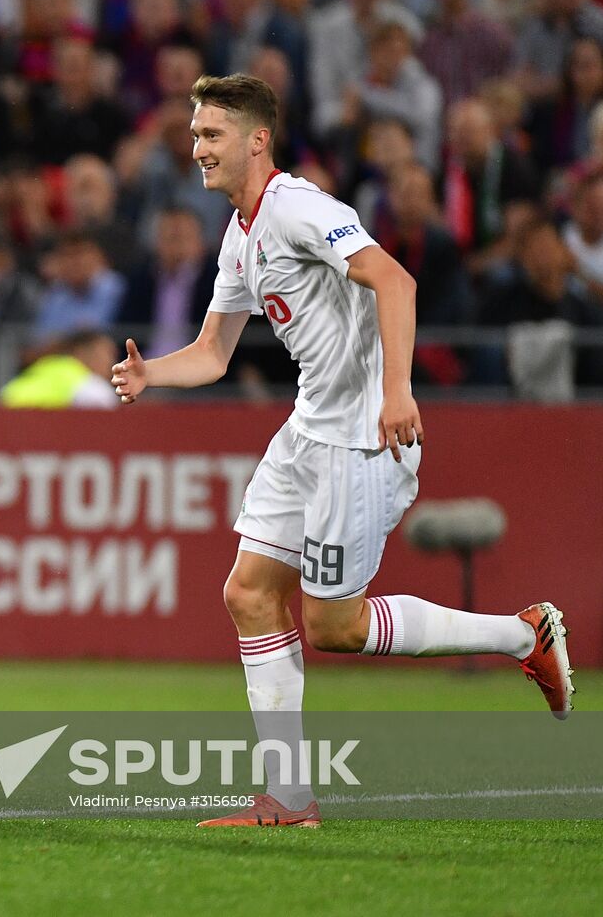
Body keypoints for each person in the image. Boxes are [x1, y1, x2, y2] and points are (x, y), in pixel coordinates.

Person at [110, 74, 574, 828]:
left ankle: (524, 633)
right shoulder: (241, 232)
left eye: (211, 135)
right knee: (248, 595)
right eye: (194, 136)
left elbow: (395, 279)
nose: (197, 149)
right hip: (307, 432)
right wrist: (151, 373)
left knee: (336, 627)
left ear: (257, 139)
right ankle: (289, 799)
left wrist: (397, 391)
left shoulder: (299, 208)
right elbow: (213, 352)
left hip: (359, 439)